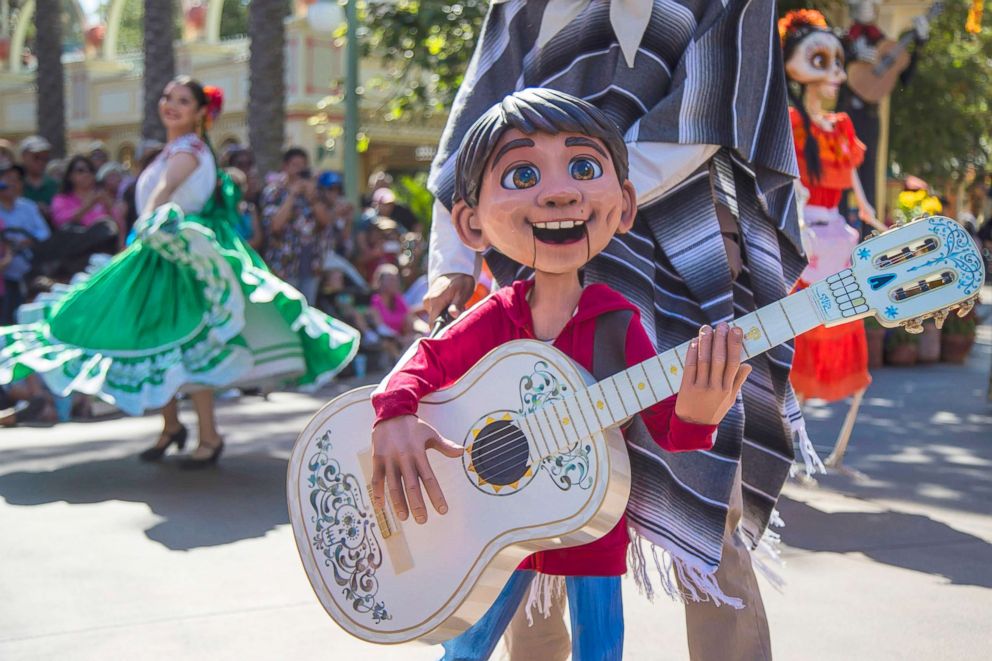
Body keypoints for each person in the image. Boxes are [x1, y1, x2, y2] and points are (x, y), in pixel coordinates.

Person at [423, 3, 804, 659]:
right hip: (541, 263)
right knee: (528, 494)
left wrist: (583, 189)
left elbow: (710, 110)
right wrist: (454, 258)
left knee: (712, 494)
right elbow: (478, 113)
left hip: (682, 264)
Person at [371, 89, 750, 660]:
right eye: (522, 173)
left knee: (601, 651)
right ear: (471, 225)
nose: (559, 192)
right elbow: (426, 361)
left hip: (591, 527)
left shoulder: (615, 322)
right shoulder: (497, 315)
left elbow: (666, 428)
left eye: (583, 167)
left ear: (623, 205)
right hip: (497, 531)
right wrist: (394, 411)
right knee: (465, 651)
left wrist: (699, 415)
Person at [0, 76, 359, 467]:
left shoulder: (188, 148)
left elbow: (163, 193)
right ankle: (171, 427)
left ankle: (208, 435)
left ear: (200, 111)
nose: (171, 105)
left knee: (190, 343)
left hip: (179, 258)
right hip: (161, 254)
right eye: (168, 97)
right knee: (160, 342)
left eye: (183, 100)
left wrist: (142, 227)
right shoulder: (175, 148)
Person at [781, 10, 880, 470]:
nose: (836, 74)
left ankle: (821, 444)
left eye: (837, 61)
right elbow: (789, 181)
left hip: (837, 238)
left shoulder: (840, 128)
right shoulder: (790, 124)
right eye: (821, 60)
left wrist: (868, 213)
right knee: (801, 327)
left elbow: (855, 182)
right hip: (806, 238)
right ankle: (787, 434)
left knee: (841, 321)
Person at [260, 147, 335, 304]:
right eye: (295, 165)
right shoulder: (274, 192)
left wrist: (313, 198)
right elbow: (275, 226)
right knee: (286, 311)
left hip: (311, 264)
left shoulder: (315, 191)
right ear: (285, 167)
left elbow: (327, 222)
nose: (299, 170)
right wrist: (292, 195)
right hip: (284, 265)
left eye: (303, 165)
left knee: (309, 310)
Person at [0, 163, 51, 324]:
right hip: (4, 275)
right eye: (8, 179)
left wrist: (29, 240)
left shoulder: (29, 206)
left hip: (29, 270)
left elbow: (44, 233)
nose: (12, 183)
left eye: (16, 179)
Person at [50, 155, 116, 229]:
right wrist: (86, 207)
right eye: (80, 170)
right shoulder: (61, 199)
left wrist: (109, 206)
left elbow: (119, 228)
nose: (86, 174)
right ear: (70, 176)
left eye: (90, 170)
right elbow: (60, 221)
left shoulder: (102, 198)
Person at [18, 135, 58, 224]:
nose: (41, 162)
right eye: (36, 157)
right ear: (24, 157)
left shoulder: (56, 185)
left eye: (45, 158)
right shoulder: (15, 186)